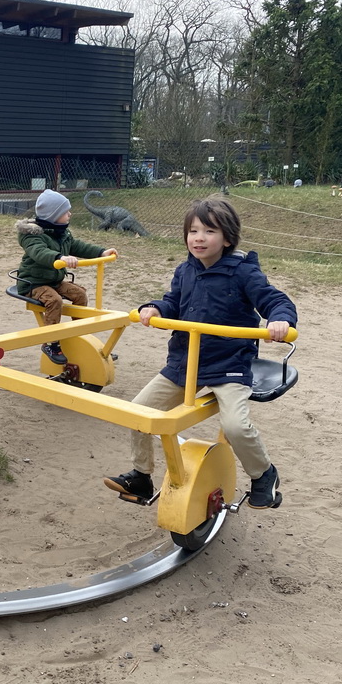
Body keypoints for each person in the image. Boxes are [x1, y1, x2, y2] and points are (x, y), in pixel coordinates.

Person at [104, 195, 297, 510]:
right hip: (186, 361)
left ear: (228, 238)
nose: (199, 238)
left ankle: (264, 474)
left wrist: (279, 319)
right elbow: (173, 302)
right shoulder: (185, 271)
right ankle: (141, 476)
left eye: (209, 231)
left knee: (235, 425)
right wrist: (155, 308)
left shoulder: (243, 272)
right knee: (139, 412)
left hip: (228, 363)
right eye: (193, 231)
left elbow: (274, 299)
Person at [16, 189, 118, 364]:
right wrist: (59, 257)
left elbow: (78, 246)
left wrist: (101, 252)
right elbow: (39, 252)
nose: (70, 214)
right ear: (52, 215)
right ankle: (51, 342)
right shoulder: (32, 235)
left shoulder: (62, 232)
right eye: (65, 211)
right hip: (34, 283)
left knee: (79, 294)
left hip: (53, 280)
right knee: (54, 301)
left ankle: (80, 336)